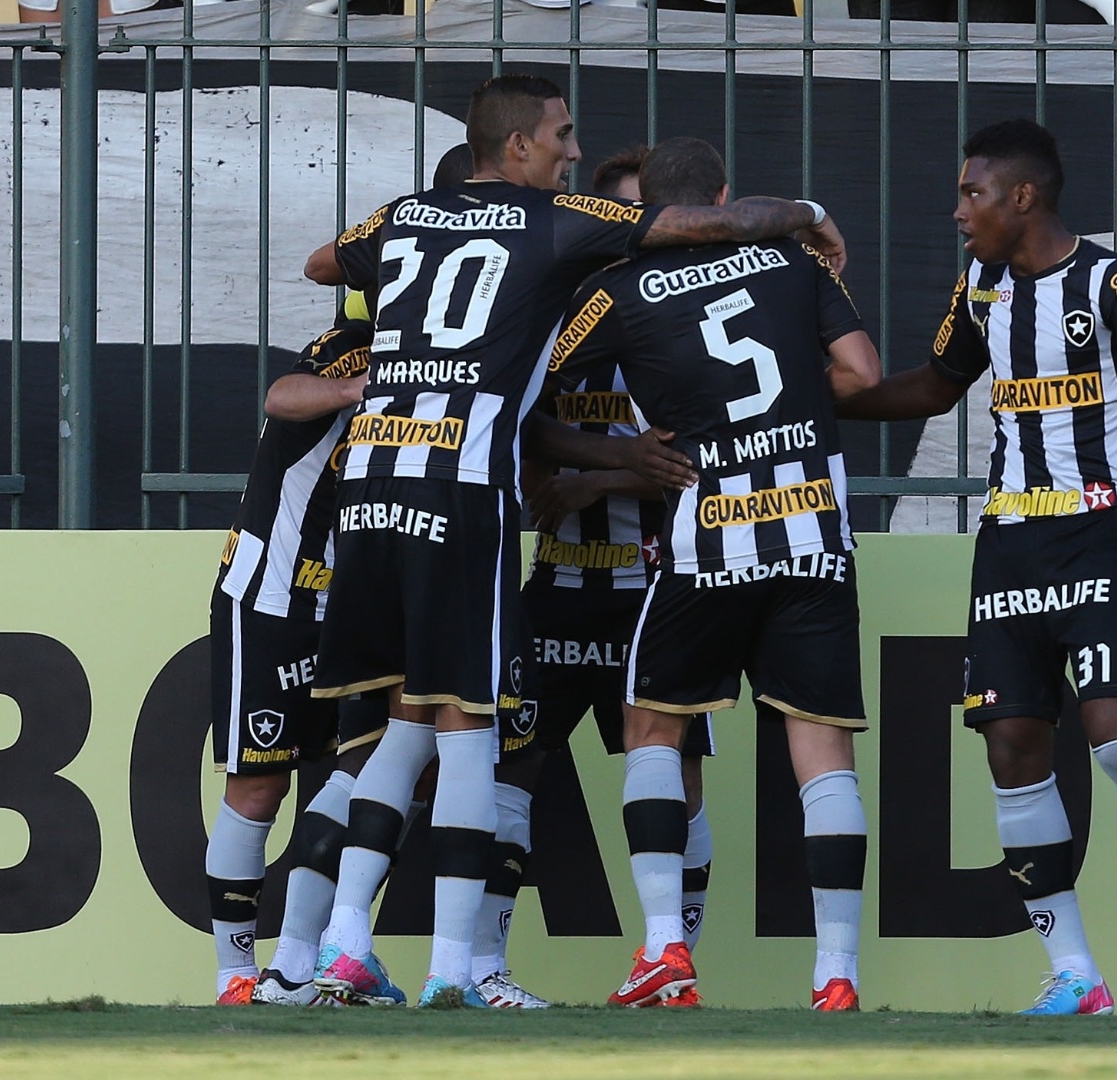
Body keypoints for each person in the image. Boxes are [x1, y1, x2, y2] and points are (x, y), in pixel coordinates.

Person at [301, 74, 846, 1009]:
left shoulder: (404, 214)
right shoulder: (558, 225)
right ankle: (452, 972)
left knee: (401, 719)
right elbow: (688, 226)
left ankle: (347, 942)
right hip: (459, 487)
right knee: (470, 735)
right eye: (558, 134)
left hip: (371, 480)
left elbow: (322, 264)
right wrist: (807, 211)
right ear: (516, 147)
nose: (567, 148)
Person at [834, 118, 1117, 1017]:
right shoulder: (981, 285)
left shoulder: (1115, 283)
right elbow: (933, 384)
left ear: (1022, 196)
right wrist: (827, 399)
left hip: (1100, 530)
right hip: (1008, 539)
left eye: (973, 194)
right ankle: (1075, 974)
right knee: (1012, 746)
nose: (959, 211)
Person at [546, 136, 882, 1011]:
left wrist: (609, 452)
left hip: (710, 536)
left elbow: (531, 380)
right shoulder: (790, 259)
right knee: (823, 752)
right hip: (812, 528)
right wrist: (791, 403)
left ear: (652, 215)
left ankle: (665, 951)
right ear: (724, 196)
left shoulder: (617, 291)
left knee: (651, 730)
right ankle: (837, 972)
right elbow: (864, 373)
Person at [464, 145, 717, 1010]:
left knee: (677, 777)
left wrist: (595, 480)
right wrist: (598, 468)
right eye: (619, 222)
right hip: (557, 590)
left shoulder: (680, 327)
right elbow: (512, 425)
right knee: (510, 771)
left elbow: (693, 459)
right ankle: (484, 967)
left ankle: (668, 959)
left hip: (653, 594)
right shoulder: (552, 323)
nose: (632, 241)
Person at [248, 145, 479, 1008]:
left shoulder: (382, 322)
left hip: (364, 562)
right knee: (423, 746)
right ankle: (443, 969)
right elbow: (282, 394)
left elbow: (321, 265)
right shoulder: (383, 342)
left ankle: (304, 961)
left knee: (371, 758)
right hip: (409, 555)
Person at [204, 299, 368, 1005]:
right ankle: (236, 975)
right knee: (259, 788)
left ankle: (303, 964)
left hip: (354, 610)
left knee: (359, 776)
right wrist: (352, 390)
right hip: (272, 600)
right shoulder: (357, 342)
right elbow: (282, 394)